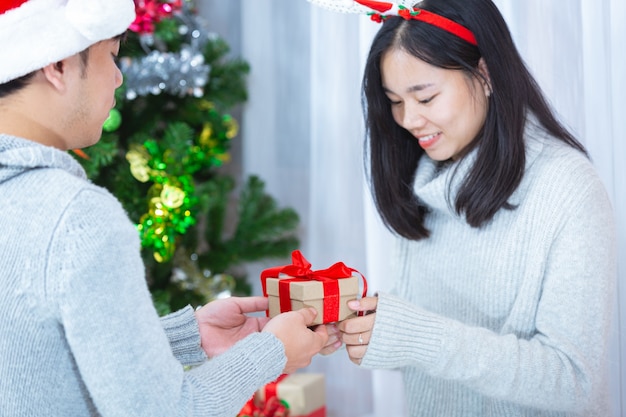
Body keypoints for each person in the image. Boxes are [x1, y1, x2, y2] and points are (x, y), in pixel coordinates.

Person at [0, 1, 328, 416]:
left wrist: (187, 336)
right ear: (59, 65)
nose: (118, 77)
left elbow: (34, 361)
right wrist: (271, 353)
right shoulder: (74, 218)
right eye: (111, 56)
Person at [316, 0, 617, 415]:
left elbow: (574, 382)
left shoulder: (567, 188)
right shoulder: (422, 181)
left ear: (485, 73)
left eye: (425, 97)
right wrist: (369, 328)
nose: (408, 120)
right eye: (395, 101)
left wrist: (417, 335)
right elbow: (433, 352)